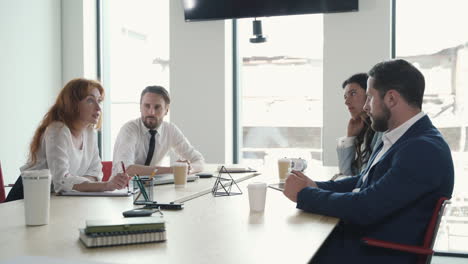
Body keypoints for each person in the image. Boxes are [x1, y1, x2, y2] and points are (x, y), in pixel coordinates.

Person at [283, 59, 454, 263]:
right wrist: (315, 185)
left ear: (391, 98)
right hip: (367, 241)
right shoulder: (398, 137)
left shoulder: (423, 149)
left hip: (377, 252)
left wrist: (305, 194)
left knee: (290, 251)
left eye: (370, 97)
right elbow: (362, 181)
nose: (365, 106)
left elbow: (366, 207)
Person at [5, 78, 129, 202]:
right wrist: (105, 185)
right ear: (73, 103)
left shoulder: (90, 132)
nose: (98, 108)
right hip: (27, 197)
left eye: (99, 101)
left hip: (57, 199)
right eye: (90, 100)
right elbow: (61, 182)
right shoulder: (57, 130)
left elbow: (96, 174)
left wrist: (74, 181)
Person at [112, 85, 205, 177]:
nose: (151, 112)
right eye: (147, 106)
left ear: (166, 110)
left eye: (157, 107)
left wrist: (188, 169)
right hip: (123, 189)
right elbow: (126, 169)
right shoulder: (129, 129)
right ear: (140, 107)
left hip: (154, 188)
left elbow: (199, 160)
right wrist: (171, 170)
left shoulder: (170, 130)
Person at [335, 73, 383, 178]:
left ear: (369, 94)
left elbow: (361, 180)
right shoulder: (364, 130)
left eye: (353, 93)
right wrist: (350, 138)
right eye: (345, 97)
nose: (346, 102)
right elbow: (347, 173)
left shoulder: (381, 130)